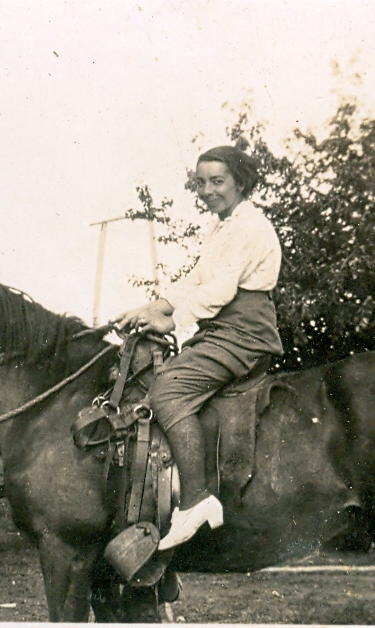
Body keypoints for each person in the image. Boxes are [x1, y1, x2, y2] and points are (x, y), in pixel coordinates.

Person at [114, 145, 283, 550]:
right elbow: (197, 279)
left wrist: (172, 319)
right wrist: (154, 306)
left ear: (240, 182)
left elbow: (221, 290)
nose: (206, 190)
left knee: (167, 389)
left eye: (217, 181)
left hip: (243, 332)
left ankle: (196, 500)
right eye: (201, 182)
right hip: (224, 328)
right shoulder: (222, 227)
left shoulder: (249, 227)